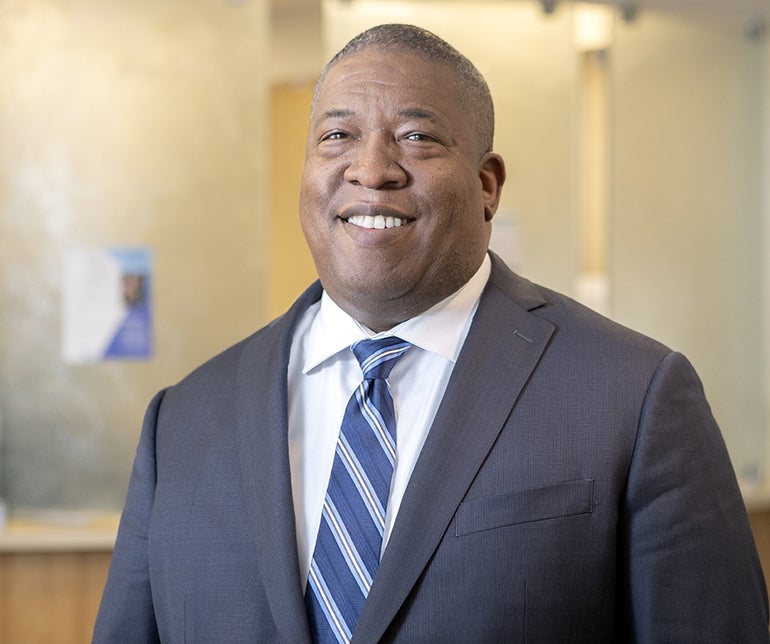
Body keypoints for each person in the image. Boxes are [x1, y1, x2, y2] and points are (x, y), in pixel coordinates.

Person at [94, 23, 769, 643]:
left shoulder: (634, 395)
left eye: (416, 136)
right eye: (337, 136)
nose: (372, 168)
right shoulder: (180, 422)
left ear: (487, 186)